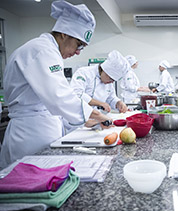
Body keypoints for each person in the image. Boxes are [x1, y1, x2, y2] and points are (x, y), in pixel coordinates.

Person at [0, 0, 112, 169]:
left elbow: (51, 104)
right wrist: (97, 115)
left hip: (40, 130)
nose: (77, 52)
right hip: (30, 136)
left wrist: (86, 121)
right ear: (64, 34)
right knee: (30, 185)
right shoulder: (42, 50)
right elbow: (59, 98)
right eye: (78, 45)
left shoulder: (48, 51)